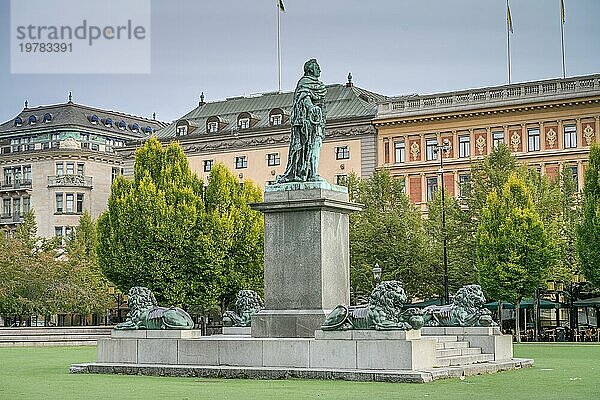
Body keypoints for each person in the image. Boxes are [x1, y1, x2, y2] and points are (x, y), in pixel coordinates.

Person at [277, 59, 327, 183]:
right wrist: (311, 108)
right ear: (310, 69)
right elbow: (303, 97)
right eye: (317, 67)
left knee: (316, 145)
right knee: (311, 146)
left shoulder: (318, 85)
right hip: (306, 122)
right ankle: (312, 174)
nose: (320, 70)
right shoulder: (304, 82)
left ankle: (311, 173)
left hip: (317, 120)